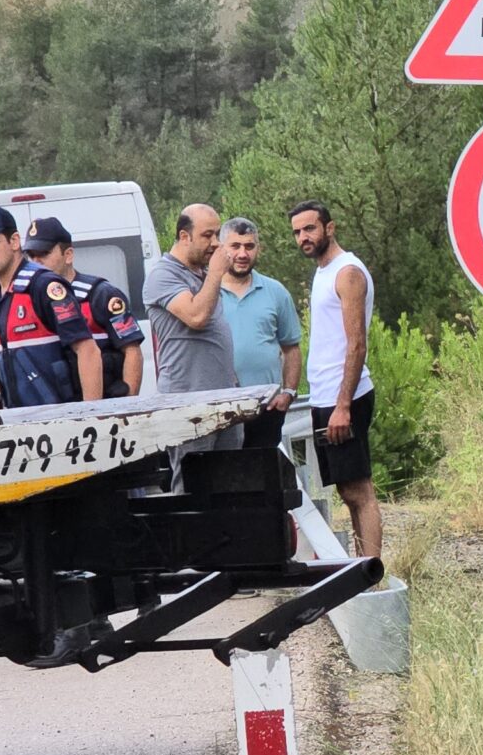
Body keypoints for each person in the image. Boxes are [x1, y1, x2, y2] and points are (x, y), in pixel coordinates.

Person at [289, 201, 380, 558]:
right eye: (297, 232)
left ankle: (372, 574)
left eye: (309, 229)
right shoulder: (323, 270)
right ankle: (362, 568)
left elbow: (357, 345)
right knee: (347, 490)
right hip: (325, 396)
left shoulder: (347, 272)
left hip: (347, 398)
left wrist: (343, 406)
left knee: (360, 491)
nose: (303, 238)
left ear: (330, 228)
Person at [0, 205, 102, 409]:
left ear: (14, 241)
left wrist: (92, 415)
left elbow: (87, 351)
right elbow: (6, 372)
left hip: (60, 417)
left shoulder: (44, 286)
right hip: (19, 425)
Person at [143, 205, 239, 454]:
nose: (216, 243)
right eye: (207, 235)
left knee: (232, 483)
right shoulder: (163, 275)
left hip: (224, 399)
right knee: (194, 483)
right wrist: (217, 273)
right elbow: (196, 317)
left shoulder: (203, 275)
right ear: (184, 236)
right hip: (188, 403)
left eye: (217, 234)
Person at [23, 215, 144, 400]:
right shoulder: (25, 300)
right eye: (31, 256)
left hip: (103, 404)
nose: (36, 262)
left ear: (68, 255)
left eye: (44, 254)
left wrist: (129, 401)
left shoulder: (102, 295)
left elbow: (132, 350)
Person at [218, 216, 302, 450]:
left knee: (263, 480)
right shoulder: (207, 293)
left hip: (267, 408)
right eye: (235, 246)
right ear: (221, 248)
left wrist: (288, 393)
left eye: (249, 246)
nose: (242, 254)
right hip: (221, 410)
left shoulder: (275, 292)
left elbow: (291, 348)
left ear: (258, 249)